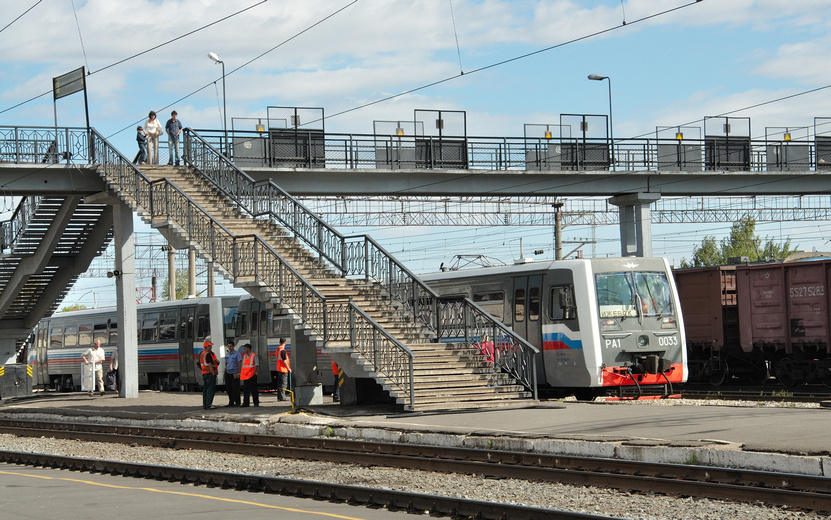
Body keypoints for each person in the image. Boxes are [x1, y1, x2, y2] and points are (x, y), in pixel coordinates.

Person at [199, 336, 219, 410]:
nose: (211, 347)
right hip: (209, 373)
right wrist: (213, 373)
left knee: (206, 389)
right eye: (210, 346)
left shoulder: (202, 353)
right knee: (210, 389)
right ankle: (209, 404)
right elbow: (210, 365)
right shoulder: (208, 354)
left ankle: (205, 404)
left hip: (204, 373)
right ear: (207, 347)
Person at [240, 343, 259, 407]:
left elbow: (256, 365)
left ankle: (256, 403)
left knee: (254, 390)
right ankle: (246, 403)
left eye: (245, 348)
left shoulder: (254, 356)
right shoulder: (244, 356)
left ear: (248, 349)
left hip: (252, 375)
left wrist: (253, 373)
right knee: (246, 390)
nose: (244, 350)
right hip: (246, 376)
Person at [224, 339, 242, 407]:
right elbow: (226, 363)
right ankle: (231, 401)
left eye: (230, 346)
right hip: (228, 372)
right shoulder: (227, 354)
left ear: (233, 346)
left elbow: (239, 363)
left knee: (235, 388)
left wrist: (239, 372)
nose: (229, 347)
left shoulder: (237, 354)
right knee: (229, 388)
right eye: (228, 346)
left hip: (235, 372)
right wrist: (226, 369)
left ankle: (237, 402)